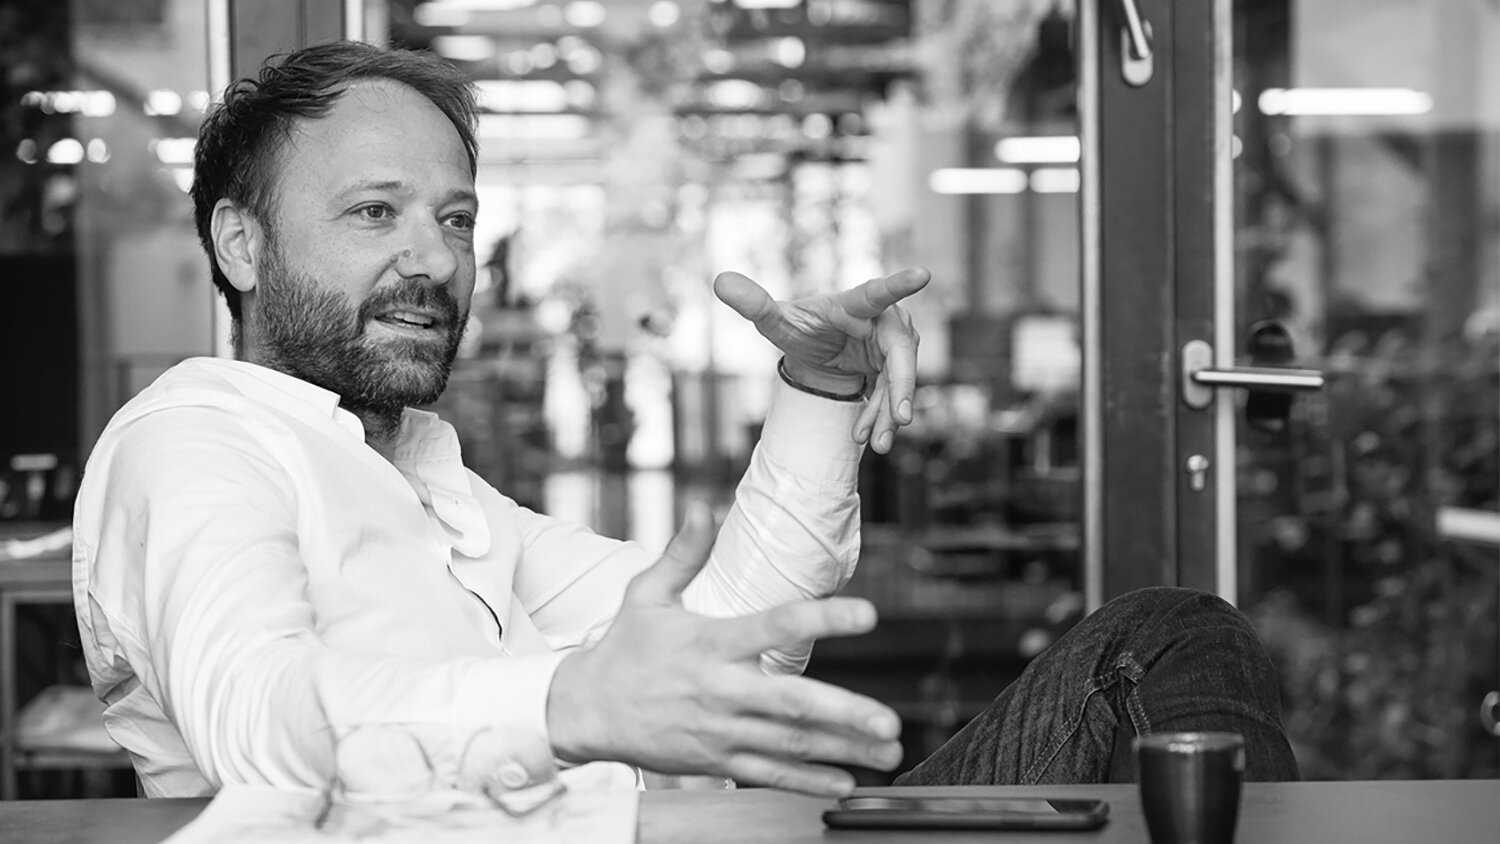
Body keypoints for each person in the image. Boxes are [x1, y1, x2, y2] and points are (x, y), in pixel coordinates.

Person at [72, 42, 1297, 805]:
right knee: (1165, 644)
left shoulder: (430, 480)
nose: (430, 259)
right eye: (373, 212)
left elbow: (733, 646)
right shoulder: (198, 441)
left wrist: (820, 393)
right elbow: (253, 723)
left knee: (1167, 635)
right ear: (240, 242)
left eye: (453, 219)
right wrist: (568, 708)